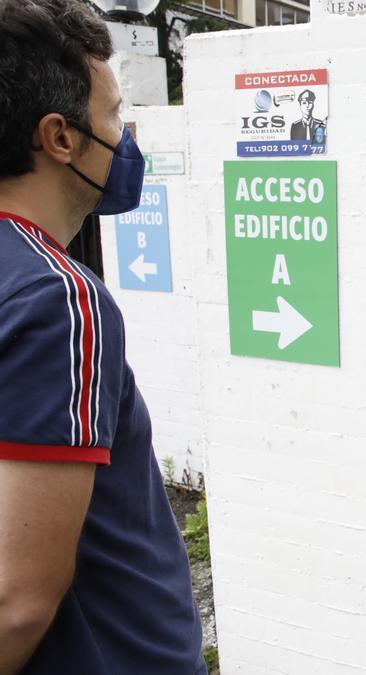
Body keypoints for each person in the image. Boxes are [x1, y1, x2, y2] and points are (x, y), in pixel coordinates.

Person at [0, 1, 204, 672]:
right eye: (114, 115)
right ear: (60, 137)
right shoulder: (58, 298)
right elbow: (19, 601)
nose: (125, 137)